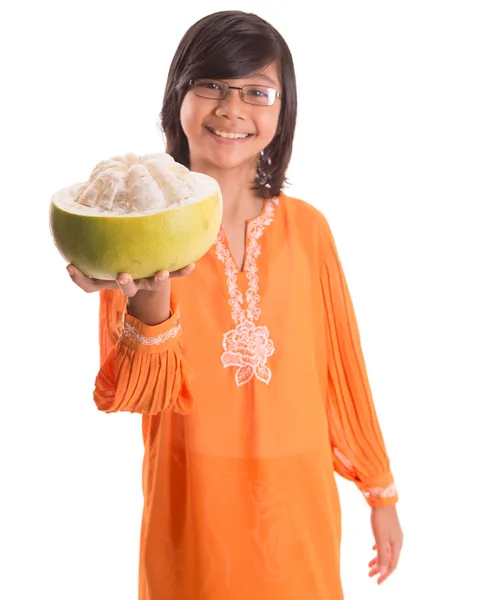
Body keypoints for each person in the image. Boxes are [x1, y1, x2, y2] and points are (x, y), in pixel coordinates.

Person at [67, 9, 403, 600]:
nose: (231, 108)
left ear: (284, 108)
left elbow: (343, 371)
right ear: (179, 96)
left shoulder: (310, 230)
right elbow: (137, 393)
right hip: (192, 499)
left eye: (257, 91)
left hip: (299, 504)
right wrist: (150, 302)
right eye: (212, 84)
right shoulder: (137, 231)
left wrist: (380, 490)